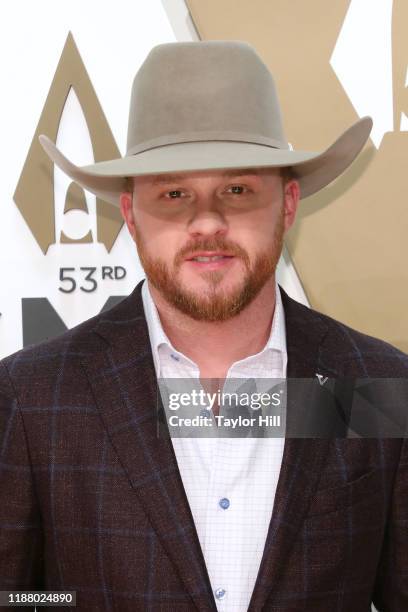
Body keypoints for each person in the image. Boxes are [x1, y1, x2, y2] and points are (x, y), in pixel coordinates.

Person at [0, 40, 407, 612]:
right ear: (131, 214)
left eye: (237, 190)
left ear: (288, 205)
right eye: (173, 193)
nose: (207, 221)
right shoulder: (34, 396)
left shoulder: (380, 385)